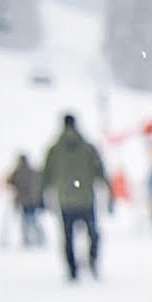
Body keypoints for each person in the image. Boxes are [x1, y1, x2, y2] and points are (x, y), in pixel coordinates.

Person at [41, 114, 112, 280]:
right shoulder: (88, 148)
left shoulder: (54, 150)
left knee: (67, 237)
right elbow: (100, 172)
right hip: (86, 199)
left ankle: (72, 269)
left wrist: (40, 197)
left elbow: (45, 176)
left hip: (65, 201)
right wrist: (110, 193)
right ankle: (93, 261)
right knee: (93, 234)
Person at [7, 153, 45, 247]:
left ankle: (27, 240)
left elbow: (9, 181)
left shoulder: (18, 171)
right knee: (34, 220)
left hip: (23, 201)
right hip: (32, 200)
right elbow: (40, 180)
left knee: (25, 222)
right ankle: (40, 238)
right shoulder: (32, 171)